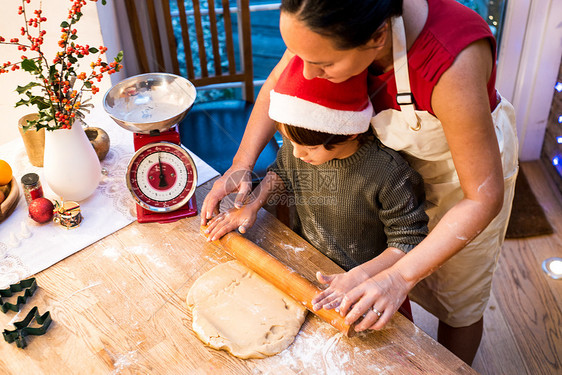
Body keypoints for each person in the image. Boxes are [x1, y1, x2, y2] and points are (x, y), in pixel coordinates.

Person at [201, 0, 519, 365]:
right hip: (377, 170)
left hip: (459, 185)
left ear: (378, 37)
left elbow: (482, 197)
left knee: (456, 302)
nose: (305, 72)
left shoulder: (449, 64)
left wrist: (398, 277)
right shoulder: (324, 21)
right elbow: (277, 83)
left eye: (322, 65)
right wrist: (241, 165)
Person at [205, 56, 428, 317]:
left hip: (373, 286)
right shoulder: (300, 140)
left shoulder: (389, 174)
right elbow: (283, 172)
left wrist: (362, 275)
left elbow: (409, 240)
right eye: (288, 141)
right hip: (312, 265)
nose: (297, 154)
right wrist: (252, 205)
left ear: (351, 132)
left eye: (308, 148)